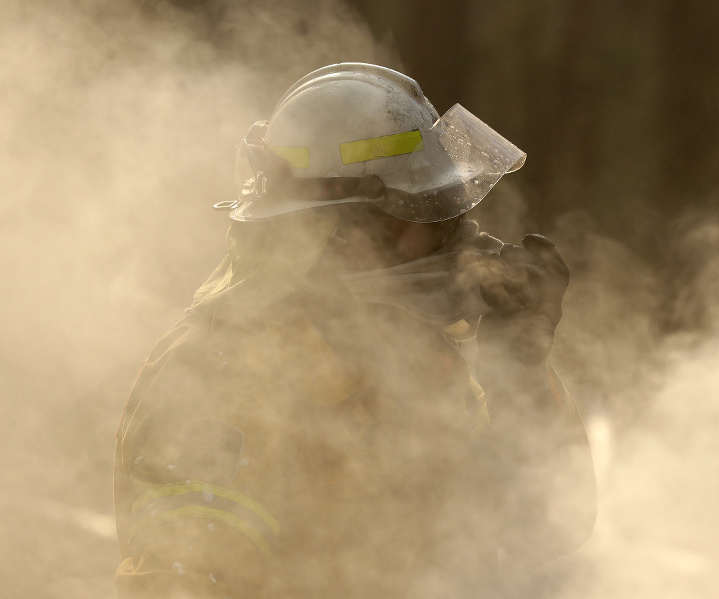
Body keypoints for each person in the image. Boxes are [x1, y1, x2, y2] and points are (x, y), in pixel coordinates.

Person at [113, 63, 596, 599]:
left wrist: (519, 368)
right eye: (425, 214)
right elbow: (185, 582)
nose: (455, 237)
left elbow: (545, 529)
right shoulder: (225, 373)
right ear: (346, 232)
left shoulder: (412, 365)